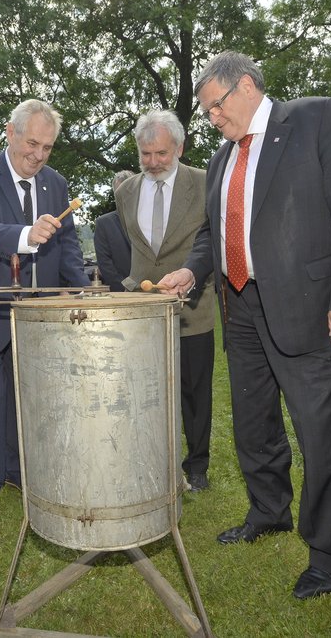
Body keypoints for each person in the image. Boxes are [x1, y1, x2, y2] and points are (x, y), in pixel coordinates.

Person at [156, 51, 331, 599]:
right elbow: (214, 232)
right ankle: (268, 511)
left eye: (214, 106)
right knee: (255, 426)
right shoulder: (220, 160)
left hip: (309, 306)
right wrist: (190, 269)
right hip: (241, 308)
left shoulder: (315, 118)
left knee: (320, 433)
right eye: (206, 110)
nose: (209, 118)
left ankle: (330, 553)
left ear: (247, 86)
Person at [0, 99, 89, 528]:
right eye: (31, 143)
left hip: (35, 321)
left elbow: (66, 246)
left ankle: (14, 470)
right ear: (9, 133)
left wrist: (80, 291)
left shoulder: (55, 183)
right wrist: (25, 234)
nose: (38, 155)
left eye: (47, 147)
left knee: (24, 403)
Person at [114, 110, 215, 490]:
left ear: (180, 147)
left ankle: (197, 464)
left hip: (192, 309)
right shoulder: (125, 192)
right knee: (143, 388)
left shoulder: (205, 184)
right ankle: (150, 455)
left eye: (162, 154)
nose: (153, 162)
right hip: (141, 312)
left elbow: (212, 244)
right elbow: (139, 248)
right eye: (145, 154)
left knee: (194, 391)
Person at [92, 170, 135, 292]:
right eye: (119, 193)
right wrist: (126, 288)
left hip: (152, 291)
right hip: (119, 293)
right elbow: (105, 264)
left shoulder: (152, 220)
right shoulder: (104, 223)